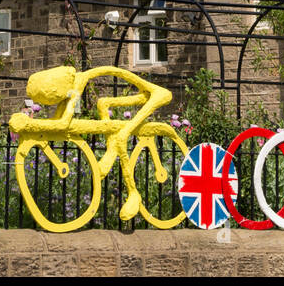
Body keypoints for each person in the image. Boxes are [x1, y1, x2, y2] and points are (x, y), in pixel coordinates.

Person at [9, 65, 172, 221]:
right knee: (103, 104)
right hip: (145, 94)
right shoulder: (69, 86)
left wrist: (28, 124)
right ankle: (109, 157)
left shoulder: (77, 82)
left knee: (122, 135)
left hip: (158, 95)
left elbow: (63, 124)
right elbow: (58, 122)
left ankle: (133, 193)